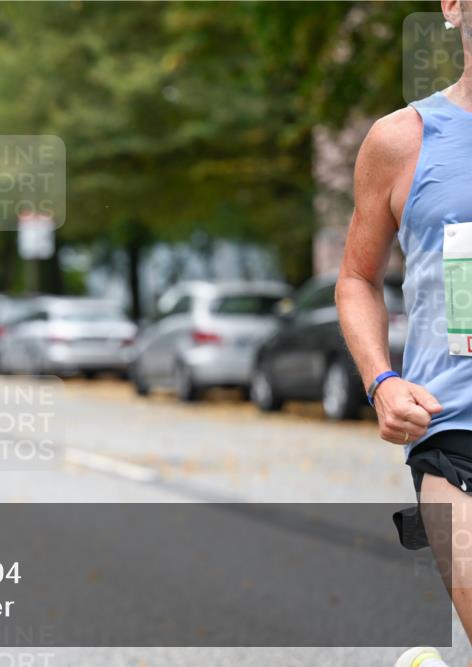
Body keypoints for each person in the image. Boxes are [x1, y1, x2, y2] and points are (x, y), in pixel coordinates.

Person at [336, 3, 471, 664]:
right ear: (452, 6)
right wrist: (382, 381)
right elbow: (357, 277)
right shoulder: (402, 140)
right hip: (454, 432)